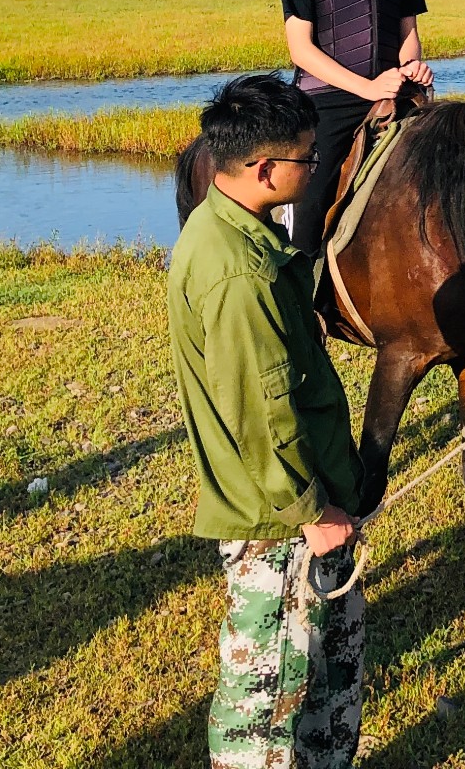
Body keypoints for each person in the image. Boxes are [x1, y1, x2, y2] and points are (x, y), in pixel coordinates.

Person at [166, 73, 368, 768]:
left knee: (327, 668)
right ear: (263, 168)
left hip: (299, 499)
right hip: (276, 519)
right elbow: (259, 416)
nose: (315, 170)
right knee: (266, 691)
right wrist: (310, 511)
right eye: (307, 158)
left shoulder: (236, 231)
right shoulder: (236, 274)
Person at [277, 0, 433, 263]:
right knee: (308, 207)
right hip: (325, 100)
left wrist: (412, 66)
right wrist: (366, 89)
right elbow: (301, 50)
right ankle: (302, 297)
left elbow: (406, 29)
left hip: (393, 91)